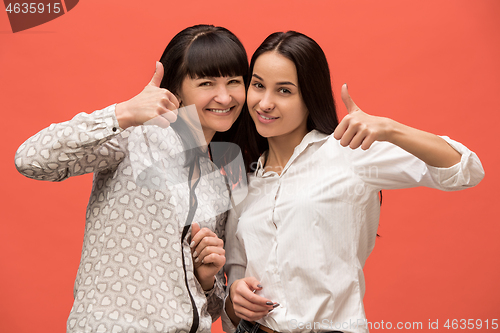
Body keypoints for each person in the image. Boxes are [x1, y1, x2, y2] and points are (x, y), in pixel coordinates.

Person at [222, 31, 484, 333]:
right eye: (258, 85)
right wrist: (236, 295)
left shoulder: (348, 152)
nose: (264, 103)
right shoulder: (242, 177)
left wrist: (388, 128)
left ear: (310, 96)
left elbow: (466, 170)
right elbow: (236, 282)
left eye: (284, 91)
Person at [15, 24, 248, 333]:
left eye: (234, 81)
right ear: (175, 90)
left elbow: (211, 308)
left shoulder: (216, 180)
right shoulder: (133, 139)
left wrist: (205, 278)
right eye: (206, 83)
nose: (224, 95)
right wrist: (121, 113)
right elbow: (31, 159)